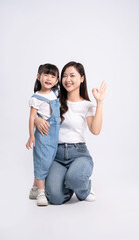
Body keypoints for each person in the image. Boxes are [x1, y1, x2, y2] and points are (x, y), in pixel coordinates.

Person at [32, 61, 107, 205]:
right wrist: (36, 120)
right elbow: (36, 110)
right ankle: (72, 182)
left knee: (75, 177)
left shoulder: (87, 105)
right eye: (65, 76)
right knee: (54, 197)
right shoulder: (54, 100)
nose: (68, 80)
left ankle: (83, 187)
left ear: (82, 78)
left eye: (72, 75)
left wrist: (100, 103)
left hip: (79, 153)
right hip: (57, 155)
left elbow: (95, 130)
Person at [26, 63, 60, 206]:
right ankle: (41, 192)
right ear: (38, 77)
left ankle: (34, 188)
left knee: (48, 161)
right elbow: (32, 117)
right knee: (41, 161)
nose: (49, 78)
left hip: (54, 135)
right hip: (43, 134)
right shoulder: (37, 97)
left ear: (57, 81)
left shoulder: (55, 94)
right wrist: (31, 136)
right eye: (46, 74)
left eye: (53, 76)